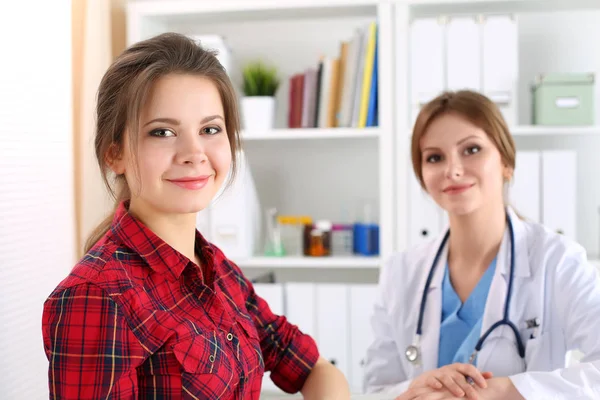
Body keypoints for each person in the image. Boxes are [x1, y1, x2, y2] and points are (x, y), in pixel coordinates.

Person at [41, 32, 349, 399]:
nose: (193, 152)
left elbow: (315, 367)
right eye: (163, 132)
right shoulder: (96, 296)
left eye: (210, 129)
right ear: (115, 153)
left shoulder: (220, 273)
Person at [363, 90, 600, 399]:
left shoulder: (558, 261)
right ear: (422, 176)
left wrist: (506, 390)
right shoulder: (402, 272)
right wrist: (416, 390)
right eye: (434, 157)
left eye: (471, 149)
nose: (453, 170)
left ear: (506, 162)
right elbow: (375, 390)